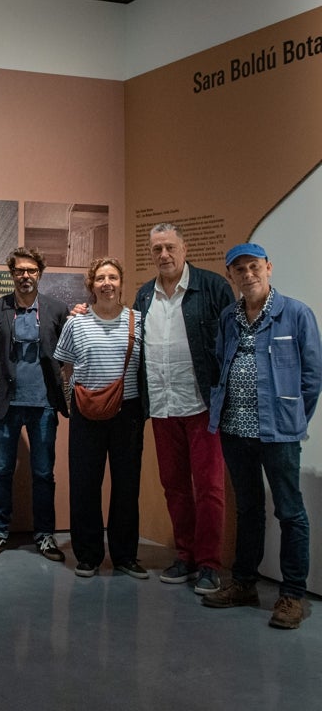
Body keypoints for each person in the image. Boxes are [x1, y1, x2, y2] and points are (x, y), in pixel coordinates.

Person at [202, 243, 320, 630]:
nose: (248, 274)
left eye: (254, 267)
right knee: (248, 508)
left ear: (268, 268)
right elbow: (221, 362)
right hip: (235, 429)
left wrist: (292, 419)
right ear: (231, 276)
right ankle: (245, 584)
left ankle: (292, 596)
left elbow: (312, 378)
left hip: (279, 432)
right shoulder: (228, 318)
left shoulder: (296, 314)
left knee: (290, 512)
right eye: (239, 269)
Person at [133, 223, 233, 594]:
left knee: (209, 487)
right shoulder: (145, 296)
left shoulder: (211, 287)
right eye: (157, 249)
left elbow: (232, 343)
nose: (164, 255)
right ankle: (186, 555)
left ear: (184, 247)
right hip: (162, 407)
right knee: (174, 486)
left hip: (202, 407)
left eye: (170, 247)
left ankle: (208, 563)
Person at [0, 247, 71, 563]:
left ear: (39, 273)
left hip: (43, 403)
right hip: (7, 402)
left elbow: (64, 353)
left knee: (43, 472)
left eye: (31, 270)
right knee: (1, 469)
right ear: (12, 274)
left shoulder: (57, 309)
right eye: (20, 270)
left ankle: (45, 536)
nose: (25, 276)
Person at [53, 257, 145, 579]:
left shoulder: (138, 320)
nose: (107, 283)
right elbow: (64, 367)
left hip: (128, 414)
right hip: (86, 412)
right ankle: (88, 555)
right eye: (101, 278)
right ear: (91, 285)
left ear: (121, 282)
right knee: (84, 485)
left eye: (113, 277)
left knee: (126, 485)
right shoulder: (76, 323)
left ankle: (124, 556)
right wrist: (71, 400)